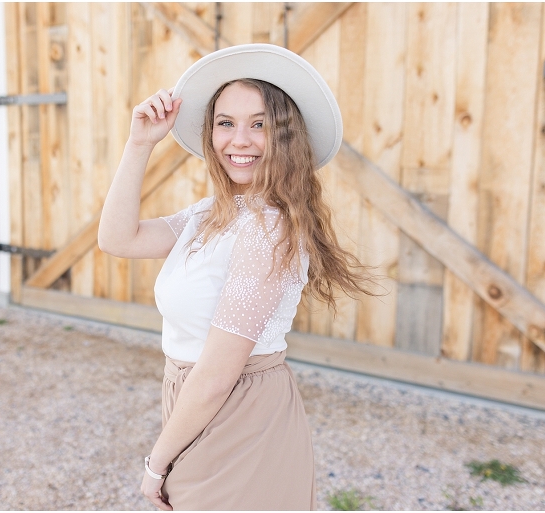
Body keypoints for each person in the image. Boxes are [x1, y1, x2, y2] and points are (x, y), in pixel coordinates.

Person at [98, 44, 373, 511]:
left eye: (259, 124)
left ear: (286, 137)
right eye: (225, 123)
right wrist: (139, 143)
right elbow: (117, 239)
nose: (238, 140)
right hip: (195, 404)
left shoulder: (270, 228)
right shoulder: (214, 213)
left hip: (240, 413)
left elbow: (218, 373)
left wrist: (156, 464)